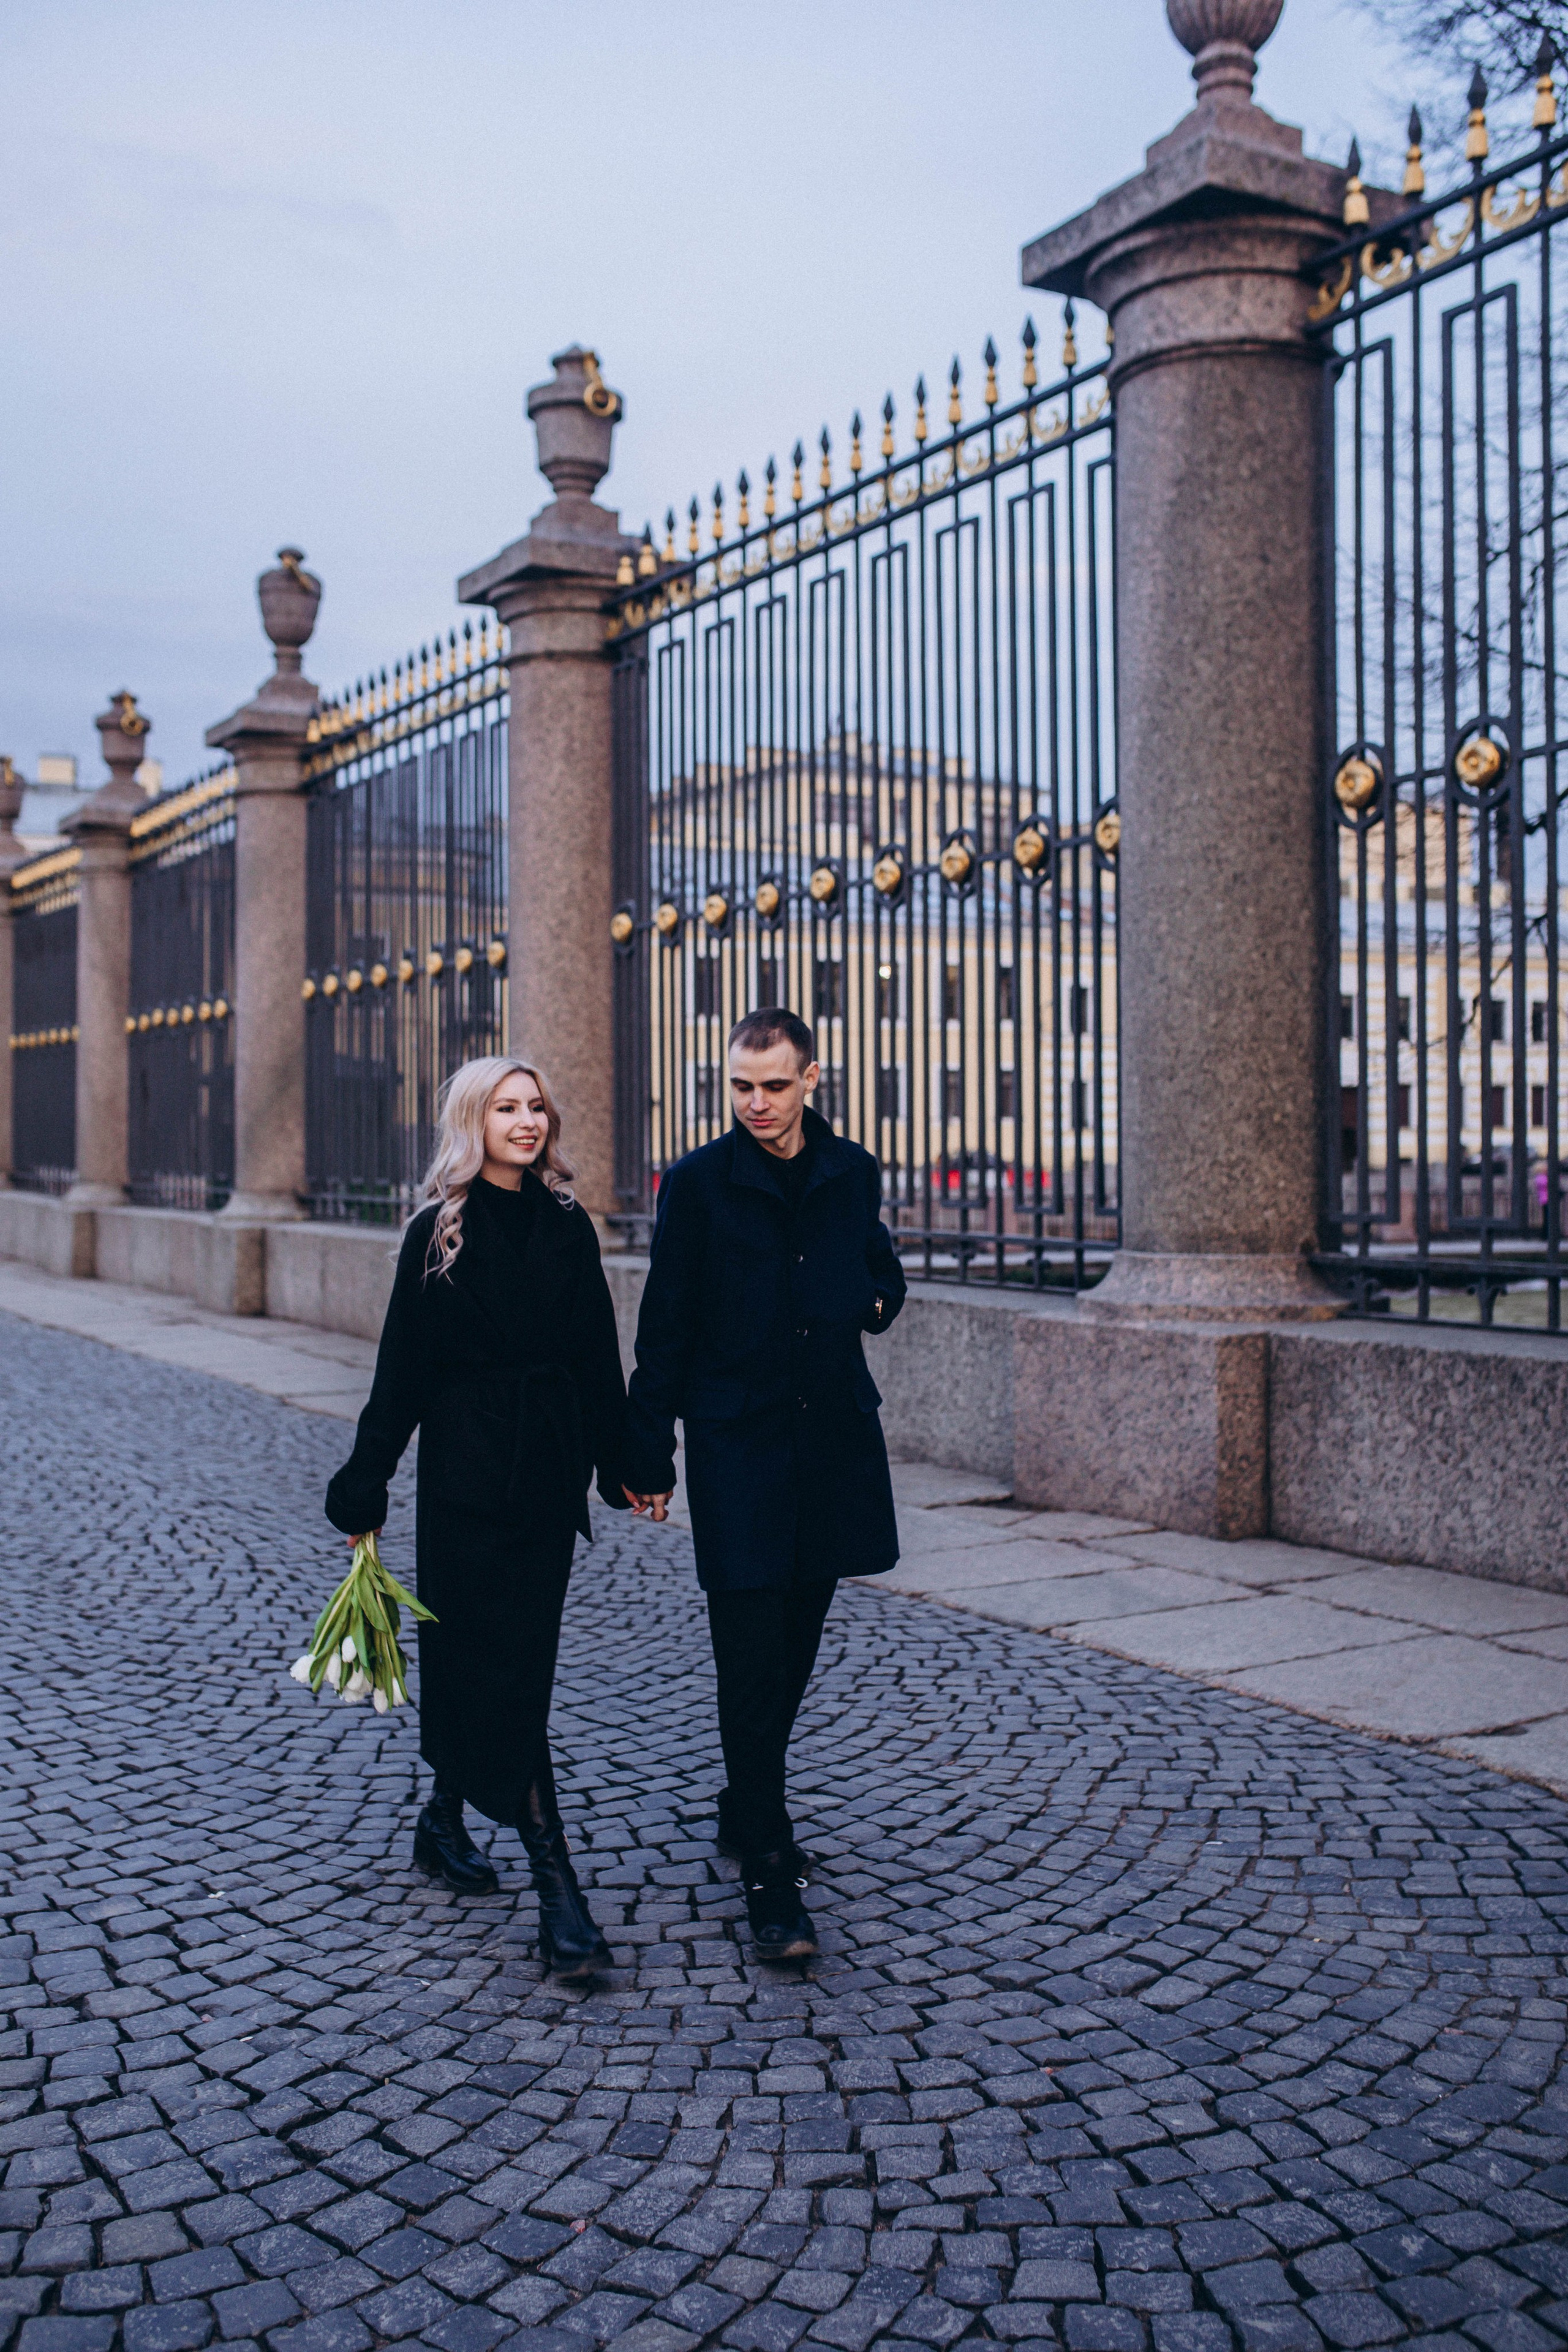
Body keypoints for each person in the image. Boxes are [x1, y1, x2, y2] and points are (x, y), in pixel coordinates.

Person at [323, 1055, 628, 1982]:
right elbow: (400, 1376)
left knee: (513, 1665)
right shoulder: (436, 1231)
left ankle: (442, 1816)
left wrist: (628, 1465)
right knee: (486, 1661)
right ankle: (557, 1886)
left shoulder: (570, 1226)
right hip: (462, 1485)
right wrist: (365, 1482)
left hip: (544, 1483)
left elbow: (595, 1357)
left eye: (538, 1106)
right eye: (508, 1107)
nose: (529, 1121)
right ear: (473, 1120)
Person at [620, 1007, 907, 1961]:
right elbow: (664, 1324)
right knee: (747, 1650)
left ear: (811, 1078)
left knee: (794, 1645)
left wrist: (871, 1298)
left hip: (829, 1439)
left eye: (773, 1086)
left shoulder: (852, 1172)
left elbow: (880, 1273)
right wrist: (646, 1451)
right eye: (741, 1086)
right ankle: (771, 1870)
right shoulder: (697, 1186)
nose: (755, 1104)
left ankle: (746, 1803)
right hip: (736, 1442)